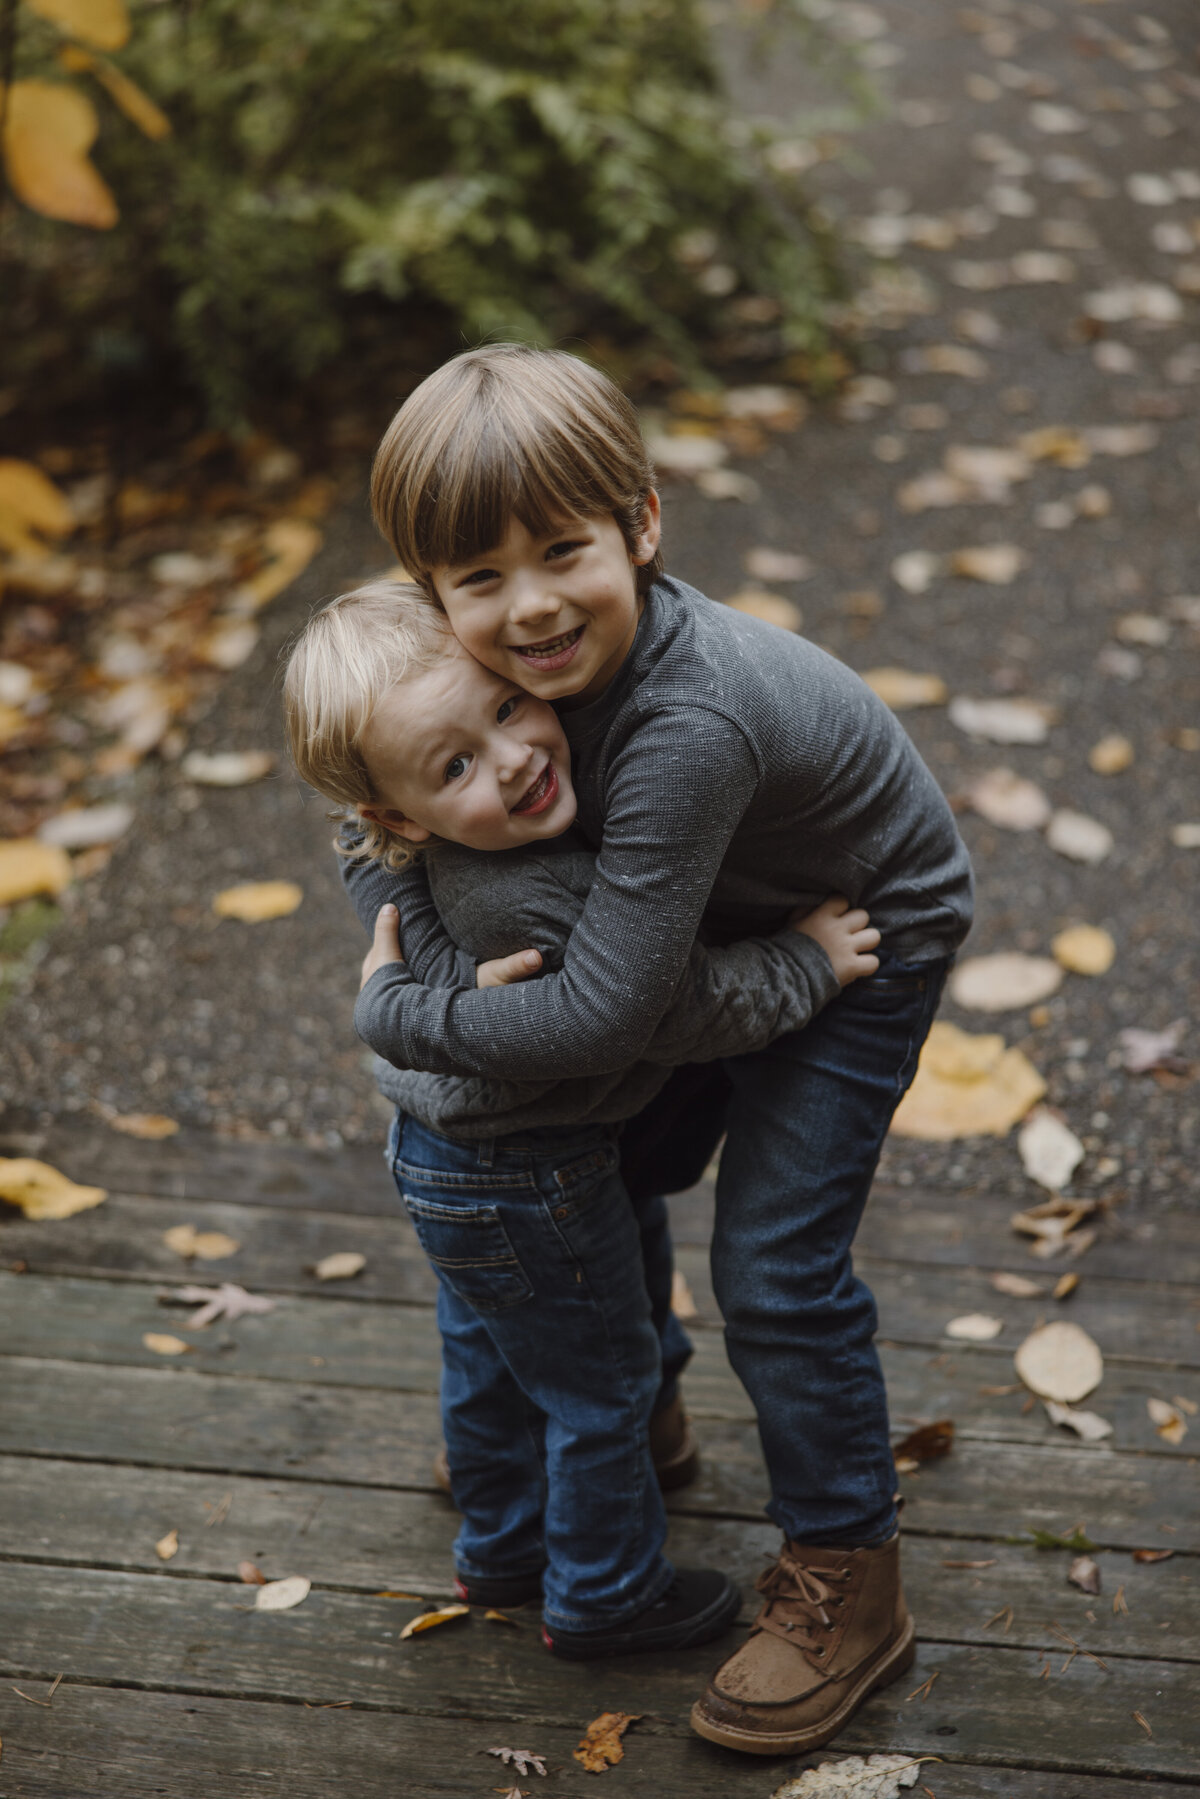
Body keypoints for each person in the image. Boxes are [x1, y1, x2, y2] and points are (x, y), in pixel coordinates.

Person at [345, 344, 974, 1754]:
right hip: (694, 938)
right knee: (601, 1152)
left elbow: (602, 1018)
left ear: (641, 520)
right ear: (430, 591)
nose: (530, 611)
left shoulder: (686, 722)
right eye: (480, 579)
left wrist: (406, 1010)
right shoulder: (473, 658)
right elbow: (367, 820)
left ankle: (848, 1571)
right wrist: (430, 941)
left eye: (563, 550)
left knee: (776, 1258)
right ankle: (635, 1420)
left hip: (846, 933)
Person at [283, 580, 881, 1662]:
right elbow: (672, 1008)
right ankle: (605, 1592)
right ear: (402, 817)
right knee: (604, 1385)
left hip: (440, 1155)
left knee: (485, 1347)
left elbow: (356, 853)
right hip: (532, 1171)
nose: (510, 756)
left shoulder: (408, 855)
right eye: (456, 763)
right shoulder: (520, 897)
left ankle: (503, 1544)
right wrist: (806, 962)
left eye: (506, 708)